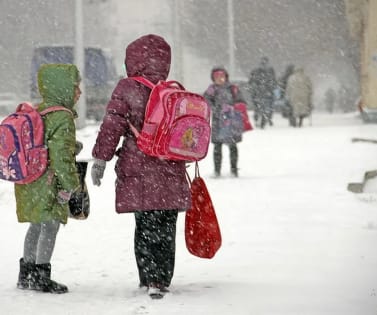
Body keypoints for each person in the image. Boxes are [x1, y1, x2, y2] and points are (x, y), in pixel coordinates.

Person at [90, 34, 191, 299]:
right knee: (166, 227)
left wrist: (101, 158)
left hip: (139, 168)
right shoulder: (174, 90)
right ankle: (161, 279)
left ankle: (148, 277)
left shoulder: (126, 88)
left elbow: (112, 125)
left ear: (132, 59)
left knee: (144, 225)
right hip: (169, 168)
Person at [16, 64, 82, 294]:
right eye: (76, 87)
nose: (79, 92)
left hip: (31, 179)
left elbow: (44, 143)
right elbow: (61, 158)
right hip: (50, 181)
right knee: (50, 226)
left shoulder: (38, 111)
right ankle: (42, 276)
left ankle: (26, 275)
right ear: (63, 88)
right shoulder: (62, 117)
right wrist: (73, 185)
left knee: (36, 224)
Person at [204, 66, 246, 177]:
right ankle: (217, 170)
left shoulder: (232, 88)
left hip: (231, 122)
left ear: (226, 77)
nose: (219, 78)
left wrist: (233, 108)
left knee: (233, 146)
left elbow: (241, 101)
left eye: (221, 76)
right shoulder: (212, 89)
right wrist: (216, 108)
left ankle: (234, 170)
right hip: (218, 121)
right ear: (213, 78)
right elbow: (206, 101)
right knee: (217, 146)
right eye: (216, 76)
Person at [248, 56, 277, 128]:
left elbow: (251, 82)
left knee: (257, 107)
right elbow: (273, 82)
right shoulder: (270, 71)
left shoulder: (255, 71)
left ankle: (257, 117)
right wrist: (272, 88)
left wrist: (252, 89)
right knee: (267, 107)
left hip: (257, 93)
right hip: (267, 93)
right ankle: (266, 119)